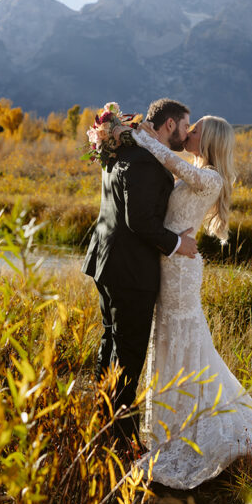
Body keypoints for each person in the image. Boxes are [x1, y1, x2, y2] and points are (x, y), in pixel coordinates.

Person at [125, 115, 252, 489]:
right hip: (170, 264)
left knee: (183, 343)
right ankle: (169, 427)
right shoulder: (196, 170)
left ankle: (190, 430)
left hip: (181, 273)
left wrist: (142, 137)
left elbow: (170, 162)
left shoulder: (211, 176)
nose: (188, 133)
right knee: (171, 342)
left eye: (195, 129)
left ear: (209, 139)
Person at [82, 98, 199, 451]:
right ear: (168, 125)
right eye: (184, 125)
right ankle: (120, 441)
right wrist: (179, 243)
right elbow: (141, 222)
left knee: (110, 346)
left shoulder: (124, 148)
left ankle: (101, 425)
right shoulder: (147, 161)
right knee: (129, 356)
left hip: (105, 261)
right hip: (130, 272)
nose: (187, 132)